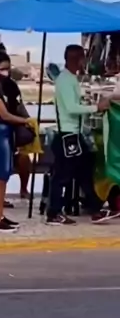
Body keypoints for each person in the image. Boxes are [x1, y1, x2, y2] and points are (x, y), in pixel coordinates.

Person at [46, 44, 115, 226]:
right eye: (83, 58)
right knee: (62, 175)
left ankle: (95, 209)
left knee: (84, 171)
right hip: (67, 135)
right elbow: (71, 108)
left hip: (75, 134)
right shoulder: (65, 81)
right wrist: (95, 107)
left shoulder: (71, 79)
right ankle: (54, 213)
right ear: (76, 59)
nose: (85, 62)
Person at [0, 49, 34, 232]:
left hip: (6, 134)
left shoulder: (3, 86)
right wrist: (25, 121)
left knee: (3, 177)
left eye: (8, 68)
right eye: (3, 68)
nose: (6, 72)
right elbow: (3, 114)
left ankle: (0, 215)